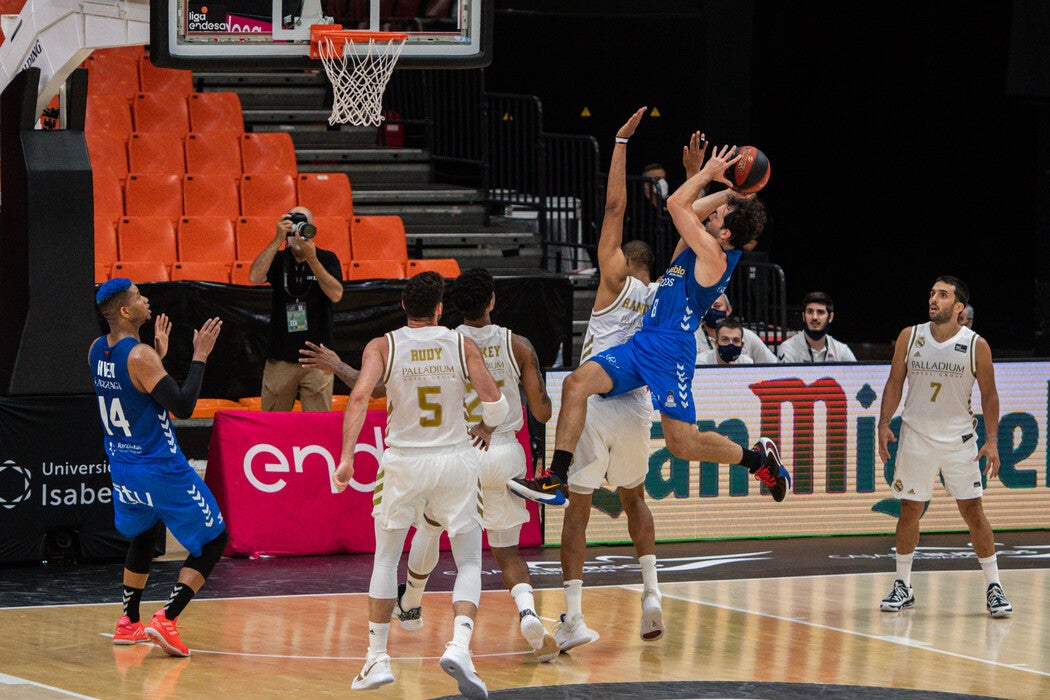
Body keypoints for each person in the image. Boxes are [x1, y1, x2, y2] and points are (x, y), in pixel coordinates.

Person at [511, 119, 790, 512]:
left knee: (682, 444)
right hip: (644, 343)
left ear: (725, 234)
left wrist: (711, 177)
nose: (714, 214)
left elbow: (678, 205)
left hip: (671, 350)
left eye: (722, 214)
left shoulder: (714, 255)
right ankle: (554, 477)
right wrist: (723, 187)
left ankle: (758, 459)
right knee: (576, 384)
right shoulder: (699, 246)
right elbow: (690, 209)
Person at [331, 271, 508, 698]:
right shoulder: (460, 343)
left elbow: (358, 398)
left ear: (404, 308)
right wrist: (485, 426)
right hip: (455, 459)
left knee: (384, 560)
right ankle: (460, 646)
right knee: (467, 562)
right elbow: (497, 405)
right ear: (440, 309)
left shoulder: (383, 345)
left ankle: (376, 658)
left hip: (404, 462)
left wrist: (346, 456)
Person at [387, 267, 560, 663]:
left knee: (430, 527)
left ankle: (411, 601)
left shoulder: (448, 343)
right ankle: (528, 613)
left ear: (450, 306)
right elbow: (542, 412)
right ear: (492, 301)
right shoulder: (517, 344)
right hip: (506, 451)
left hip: (464, 450)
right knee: (507, 552)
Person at [90, 278, 228, 657]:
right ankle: (166, 618)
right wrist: (200, 354)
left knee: (146, 532)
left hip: (122, 465)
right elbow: (182, 407)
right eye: (137, 296)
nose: (145, 299)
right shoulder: (140, 357)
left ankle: (128, 622)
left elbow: (135, 394)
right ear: (123, 310)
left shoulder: (97, 350)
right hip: (159, 466)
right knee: (214, 538)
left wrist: (157, 358)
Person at [877, 275, 1011, 618]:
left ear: (959, 307)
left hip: (959, 439)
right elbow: (894, 382)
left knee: (973, 512)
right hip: (915, 435)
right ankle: (902, 584)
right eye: (932, 294)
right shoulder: (911, 336)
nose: (933, 299)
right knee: (910, 510)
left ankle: (993, 586)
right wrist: (883, 423)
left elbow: (990, 395)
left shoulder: (976, 344)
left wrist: (992, 441)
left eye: (942, 295)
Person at [248, 206, 344, 411]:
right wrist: (277, 239)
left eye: (303, 224)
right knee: (274, 422)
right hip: (280, 358)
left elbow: (336, 294)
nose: (298, 232)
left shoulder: (326, 258)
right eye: (293, 225)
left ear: (312, 228)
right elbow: (254, 277)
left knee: (318, 425)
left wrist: (312, 258)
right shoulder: (279, 258)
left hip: (317, 357)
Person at [776, 291, 857, 363]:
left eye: (820, 312)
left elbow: (857, 378)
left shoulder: (842, 350)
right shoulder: (788, 348)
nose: (814, 317)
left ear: (830, 317)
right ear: (804, 316)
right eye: (810, 312)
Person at [694, 293, 777, 363]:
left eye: (717, 306)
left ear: (728, 310)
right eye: (706, 307)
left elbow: (773, 365)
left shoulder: (748, 336)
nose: (711, 311)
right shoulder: (692, 339)